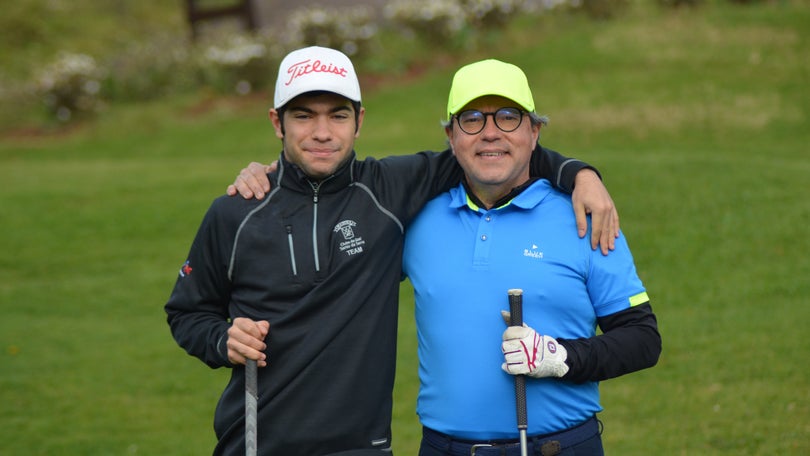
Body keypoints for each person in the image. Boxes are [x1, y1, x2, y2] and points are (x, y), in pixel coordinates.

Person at [166, 46, 617, 456]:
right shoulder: (234, 213)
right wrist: (222, 339)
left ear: (360, 121)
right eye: (303, 116)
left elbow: (496, 149)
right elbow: (187, 313)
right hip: (253, 444)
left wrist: (580, 174)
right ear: (275, 122)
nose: (322, 133)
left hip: (362, 447)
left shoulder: (391, 191)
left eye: (338, 116)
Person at [401, 59, 661, 455]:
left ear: (534, 132)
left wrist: (559, 356)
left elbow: (642, 340)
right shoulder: (416, 218)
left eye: (508, 117)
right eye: (471, 119)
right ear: (451, 137)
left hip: (559, 447)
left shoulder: (586, 215)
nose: (490, 133)